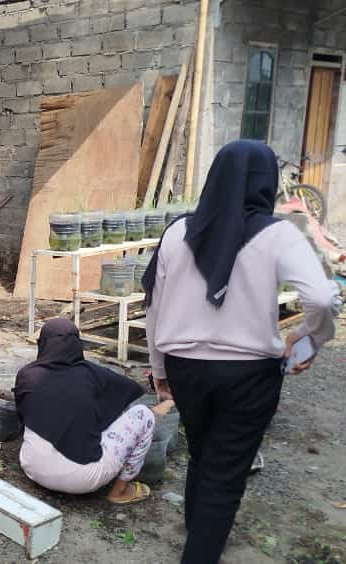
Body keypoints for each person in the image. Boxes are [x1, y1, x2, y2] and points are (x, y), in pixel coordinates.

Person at [142, 140, 340, 564]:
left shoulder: (179, 231)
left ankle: (198, 529)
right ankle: (200, 547)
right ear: (266, 185)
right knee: (224, 474)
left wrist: (158, 368)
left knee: (202, 452)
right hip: (248, 375)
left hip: (184, 368)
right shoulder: (278, 233)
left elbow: (154, 306)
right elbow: (323, 298)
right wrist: (309, 338)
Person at [15, 319, 175, 504]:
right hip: (82, 479)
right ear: (78, 345)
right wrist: (168, 398)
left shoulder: (27, 375)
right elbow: (131, 391)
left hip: (32, 466)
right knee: (143, 414)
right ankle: (119, 492)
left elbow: (22, 415)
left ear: (41, 345)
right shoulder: (91, 373)